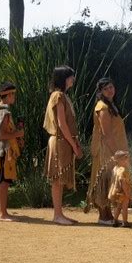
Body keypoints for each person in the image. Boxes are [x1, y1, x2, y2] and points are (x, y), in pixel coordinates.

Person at [44, 65, 83, 225]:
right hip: (60, 140)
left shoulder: (63, 96)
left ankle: (59, 213)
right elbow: (61, 124)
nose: (73, 79)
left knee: (59, 180)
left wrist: (74, 142)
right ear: (63, 78)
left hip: (64, 140)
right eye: (70, 76)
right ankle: (57, 215)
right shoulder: (58, 96)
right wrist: (73, 145)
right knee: (57, 179)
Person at [87, 77, 128, 225]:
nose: (110, 90)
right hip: (106, 150)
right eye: (106, 89)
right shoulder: (102, 107)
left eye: (111, 87)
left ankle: (108, 215)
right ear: (100, 92)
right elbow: (106, 133)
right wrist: (117, 153)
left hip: (113, 149)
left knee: (111, 181)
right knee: (104, 181)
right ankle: (103, 216)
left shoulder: (110, 105)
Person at [0, 82, 24, 222]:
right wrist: (18, 134)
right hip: (3, 151)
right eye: (13, 94)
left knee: (3, 182)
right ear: (8, 95)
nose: (14, 97)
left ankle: (3, 211)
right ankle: (2, 213)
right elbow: (1, 135)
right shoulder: (4, 112)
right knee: (3, 182)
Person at [108, 150, 132, 228]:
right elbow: (123, 182)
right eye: (126, 159)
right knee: (124, 207)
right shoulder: (123, 170)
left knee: (118, 207)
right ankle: (125, 222)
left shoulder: (115, 168)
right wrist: (127, 193)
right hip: (123, 192)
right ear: (121, 160)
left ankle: (115, 220)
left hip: (116, 191)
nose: (128, 161)